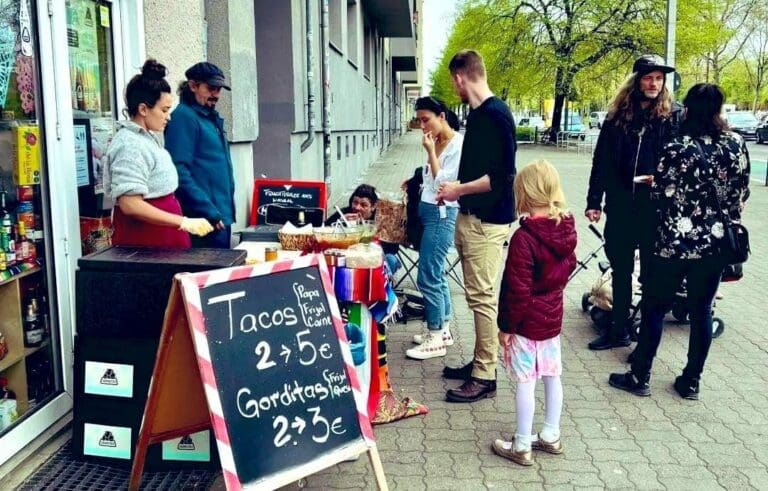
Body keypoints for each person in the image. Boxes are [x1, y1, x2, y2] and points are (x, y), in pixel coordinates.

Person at [609, 83, 750, 400]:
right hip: (715, 246)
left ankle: (640, 375)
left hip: (673, 244)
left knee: (655, 307)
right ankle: (691, 381)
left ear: (688, 110)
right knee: (702, 311)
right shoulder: (736, 144)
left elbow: (660, 194)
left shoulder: (676, 147)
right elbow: (741, 193)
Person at [584, 54, 680, 351]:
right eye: (648, 78)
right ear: (637, 81)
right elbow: (601, 161)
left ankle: (645, 347)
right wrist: (593, 200)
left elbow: (681, 163)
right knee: (621, 271)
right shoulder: (617, 117)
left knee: (651, 276)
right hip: (621, 206)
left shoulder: (673, 117)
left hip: (654, 209)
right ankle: (618, 330)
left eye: (659, 79)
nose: (654, 84)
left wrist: (660, 180)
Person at [437, 49, 516, 403]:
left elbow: (502, 176)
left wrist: (458, 190)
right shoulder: (480, 114)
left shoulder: (496, 114)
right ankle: (480, 361)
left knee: (483, 298)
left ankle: (485, 374)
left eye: (453, 82)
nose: (454, 88)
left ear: (460, 77)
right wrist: (456, 190)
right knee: (475, 296)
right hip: (472, 217)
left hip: (487, 221)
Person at [492, 160, 576, 466]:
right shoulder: (565, 228)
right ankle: (551, 434)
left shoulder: (524, 238)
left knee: (526, 381)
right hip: (552, 318)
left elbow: (517, 289)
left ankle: (522, 443)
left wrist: (506, 327)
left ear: (524, 193)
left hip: (526, 323)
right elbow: (569, 266)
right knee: (553, 376)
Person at [104, 59, 213, 248]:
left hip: (162, 238)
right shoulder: (129, 145)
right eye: (164, 110)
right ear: (143, 109)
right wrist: (183, 222)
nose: (168, 117)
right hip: (145, 241)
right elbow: (130, 204)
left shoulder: (147, 138)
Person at [405, 96, 463, 361]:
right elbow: (429, 178)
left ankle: (436, 335)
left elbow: (445, 184)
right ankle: (444, 328)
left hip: (443, 213)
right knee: (436, 272)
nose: (422, 126)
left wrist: (430, 153)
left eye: (426, 119)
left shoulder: (458, 145)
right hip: (429, 211)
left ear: (442, 116)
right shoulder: (436, 140)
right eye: (419, 120)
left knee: (427, 274)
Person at [165, 62, 235, 248]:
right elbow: (178, 171)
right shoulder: (184, 117)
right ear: (193, 86)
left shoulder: (208, 117)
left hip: (218, 215)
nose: (216, 95)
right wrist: (208, 210)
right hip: (203, 220)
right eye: (211, 88)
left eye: (218, 89)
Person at [325, 184, 399, 274]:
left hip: (376, 256)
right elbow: (324, 229)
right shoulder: (344, 213)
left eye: (363, 205)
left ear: (373, 206)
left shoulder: (382, 218)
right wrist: (341, 222)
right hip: (348, 255)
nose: (357, 207)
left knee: (391, 260)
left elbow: (393, 248)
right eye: (355, 202)